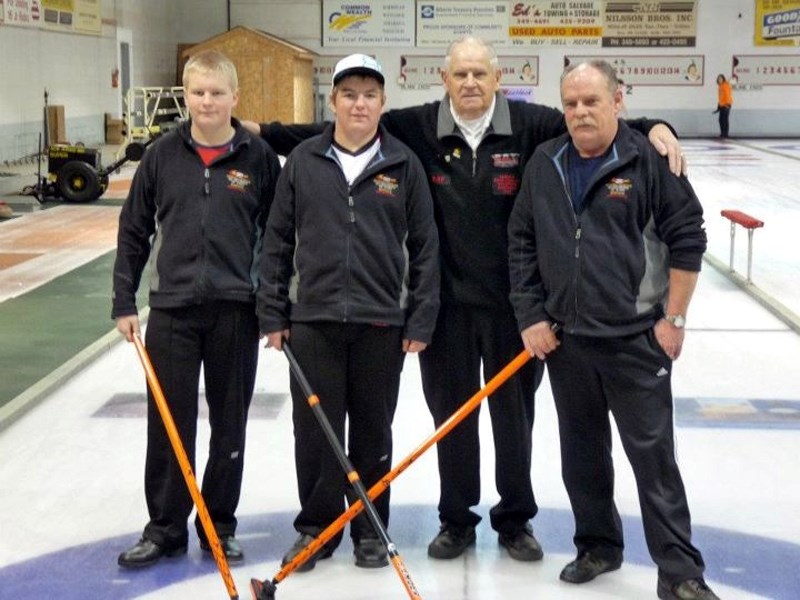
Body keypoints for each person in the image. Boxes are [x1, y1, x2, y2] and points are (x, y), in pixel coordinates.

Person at [244, 35, 686, 564]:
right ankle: (456, 520)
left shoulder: (531, 126)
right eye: (460, 75)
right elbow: (332, 130)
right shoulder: (417, 127)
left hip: (516, 312)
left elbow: (592, 117)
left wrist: (657, 127)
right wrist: (255, 131)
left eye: (480, 73)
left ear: (498, 79)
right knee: (451, 419)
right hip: (447, 311)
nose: (470, 83)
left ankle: (515, 519)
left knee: (513, 422)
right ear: (445, 80)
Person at [508, 59, 718, 600]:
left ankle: (679, 573)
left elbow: (688, 239)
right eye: (571, 103)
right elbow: (523, 242)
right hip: (568, 341)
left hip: (635, 340)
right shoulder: (544, 162)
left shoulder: (648, 160)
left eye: (591, 102)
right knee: (582, 455)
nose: (580, 113)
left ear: (617, 102)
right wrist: (531, 315)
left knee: (654, 461)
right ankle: (598, 546)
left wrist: (672, 319)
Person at [257, 53, 440, 572]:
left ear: (382, 103)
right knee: (315, 432)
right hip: (312, 320)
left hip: (382, 321)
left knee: (373, 432)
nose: (359, 103)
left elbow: (426, 248)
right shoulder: (304, 162)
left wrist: (421, 317)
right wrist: (273, 313)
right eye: (349, 94)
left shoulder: (403, 164)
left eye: (369, 95)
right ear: (333, 101)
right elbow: (276, 241)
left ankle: (369, 529)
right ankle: (315, 529)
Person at [112, 49, 281, 568]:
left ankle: (218, 526)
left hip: (236, 311)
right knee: (169, 425)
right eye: (197, 93)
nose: (207, 102)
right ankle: (165, 528)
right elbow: (134, 230)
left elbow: (278, 238)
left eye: (216, 93)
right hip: (173, 311)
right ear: (187, 96)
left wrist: (273, 309)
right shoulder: (162, 155)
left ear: (235, 97)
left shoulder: (257, 158)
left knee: (229, 426)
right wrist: (124, 299)